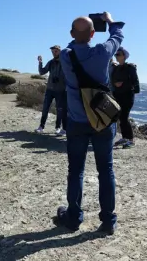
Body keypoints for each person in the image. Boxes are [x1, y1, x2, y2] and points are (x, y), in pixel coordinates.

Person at [55, 12, 125, 235]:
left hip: (76, 121)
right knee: (106, 170)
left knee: (75, 170)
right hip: (103, 120)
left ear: (72, 34)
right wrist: (110, 21)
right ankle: (108, 221)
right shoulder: (103, 52)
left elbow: (71, 45)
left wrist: (78, 35)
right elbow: (118, 36)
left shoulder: (66, 55)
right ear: (94, 34)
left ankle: (73, 217)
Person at [111, 47, 140, 148]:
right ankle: (125, 138)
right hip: (118, 95)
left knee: (124, 117)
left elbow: (135, 81)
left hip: (127, 95)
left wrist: (123, 84)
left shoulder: (130, 67)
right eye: (116, 54)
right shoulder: (116, 68)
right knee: (120, 117)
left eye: (118, 54)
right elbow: (112, 80)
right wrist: (115, 84)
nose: (116, 56)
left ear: (124, 56)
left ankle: (131, 140)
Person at [36, 45, 67, 136]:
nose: (54, 53)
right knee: (45, 108)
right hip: (50, 89)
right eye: (52, 52)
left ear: (60, 51)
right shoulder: (51, 62)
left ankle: (58, 128)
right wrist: (40, 62)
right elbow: (42, 72)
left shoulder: (65, 62)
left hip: (61, 90)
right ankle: (41, 126)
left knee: (60, 110)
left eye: (56, 51)